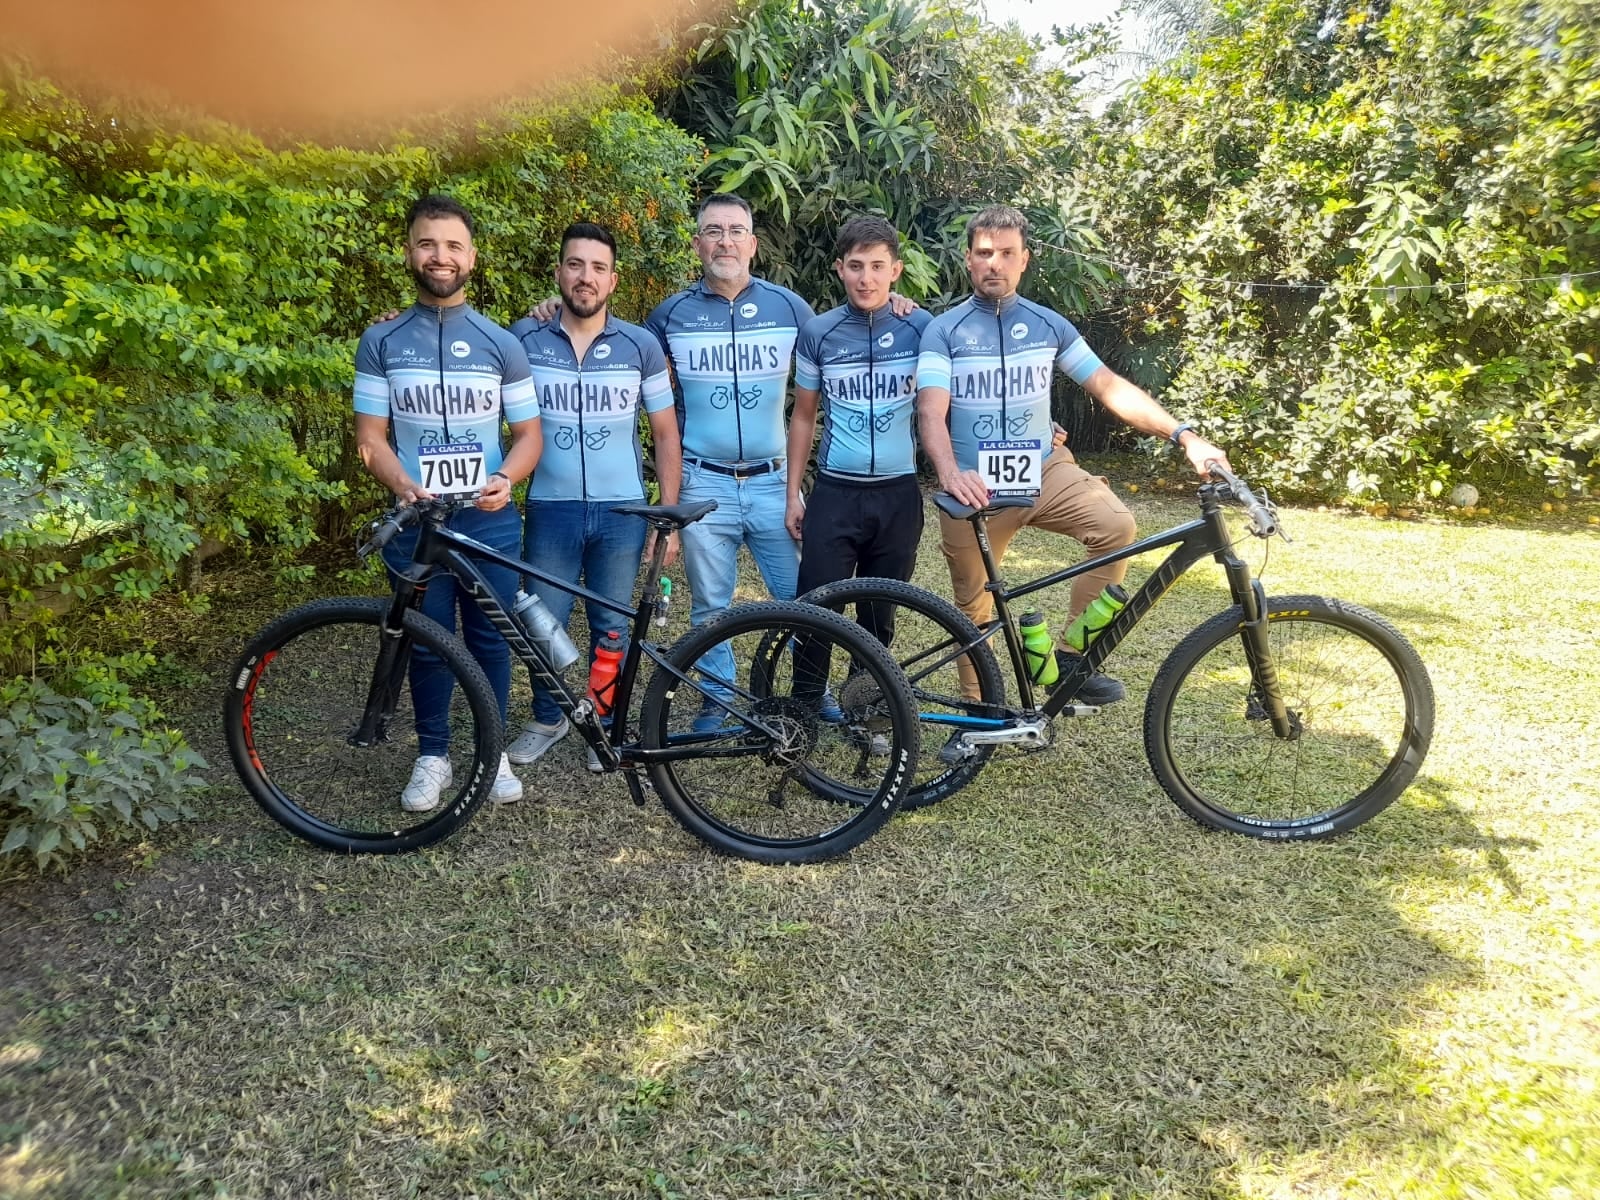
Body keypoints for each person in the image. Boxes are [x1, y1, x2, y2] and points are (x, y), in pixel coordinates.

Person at [917, 205, 1229, 749]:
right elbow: (930, 410)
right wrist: (949, 473)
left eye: (1007, 253)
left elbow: (1109, 386)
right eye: (985, 253)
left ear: (1025, 260)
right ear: (968, 259)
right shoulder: (944, 331)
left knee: (1115, 526)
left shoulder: (1048, 325)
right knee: (972, 607)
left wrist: (1185, 435)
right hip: (976, 489)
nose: (996, 263)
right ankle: (979, 715)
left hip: (1045, 469)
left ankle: (1067, 661)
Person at [353, 194, 542, 811]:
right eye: (428, 244)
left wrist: (508, 478)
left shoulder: (500, 342)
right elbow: (370, 439)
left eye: (453, 245)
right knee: (429, 637)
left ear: (473, 257)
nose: (441, 256)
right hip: (416, 521)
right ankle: (433, 753)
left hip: (488, 520)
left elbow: (529, 436)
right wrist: (399, 482)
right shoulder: (381, 340)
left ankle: (493, 754)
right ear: (409, 252)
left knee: (492, 634)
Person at [504, 222, 682, 770]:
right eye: (575, 265)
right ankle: (548, 717)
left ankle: (602, 724)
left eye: (598, 267)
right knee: (541, 622)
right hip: (551, 507)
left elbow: (665, 433)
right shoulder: (523, 339)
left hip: (622, 509)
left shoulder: (640, 345)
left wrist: (667, 518)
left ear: (613, 279)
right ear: (559, 272)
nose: (586, 277)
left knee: (612, 627)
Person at [786, 216, 932, 649]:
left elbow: (954, 400)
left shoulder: (922, 327)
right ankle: (805, 709)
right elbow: (804, 417)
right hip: (836, 494)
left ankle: (866, 708)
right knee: (815, 615)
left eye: (876, 266)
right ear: (839, 268)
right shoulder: (819, 332)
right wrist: (793, 493)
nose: (866, 278)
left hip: (898, 495)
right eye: (855, 266)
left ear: (896, 270)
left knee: (878, 620)